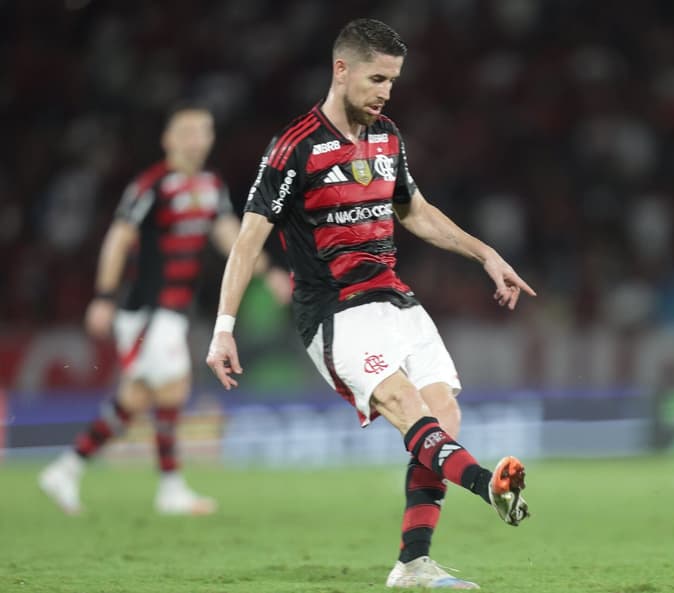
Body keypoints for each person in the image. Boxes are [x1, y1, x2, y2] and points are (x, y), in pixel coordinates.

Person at [205, 18, 536, 589]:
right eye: (377, 78)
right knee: (409, 409)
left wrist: (485, 254)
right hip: (335, 310)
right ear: (342, 70)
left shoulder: (388, 137)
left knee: (445, 419)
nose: (385, 91)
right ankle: (489, 486)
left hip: (396, 300)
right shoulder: (295, 146)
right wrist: (224, 327)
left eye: (393, 80)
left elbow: (416, 212)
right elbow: (249, 238)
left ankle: (412, 564)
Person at [39, 103, 290, 516]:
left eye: (204, 130)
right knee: (173, 389)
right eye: (188, 131)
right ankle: (170, 489)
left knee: (135, 398)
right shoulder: (150, 185)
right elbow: (119, 238)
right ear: (169, 139)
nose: (197, 139)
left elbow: (232, 238)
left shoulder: (210, 186)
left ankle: (66, 469)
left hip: (173, 310)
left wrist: (268, 274)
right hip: (147, 311)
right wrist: (103, 296)